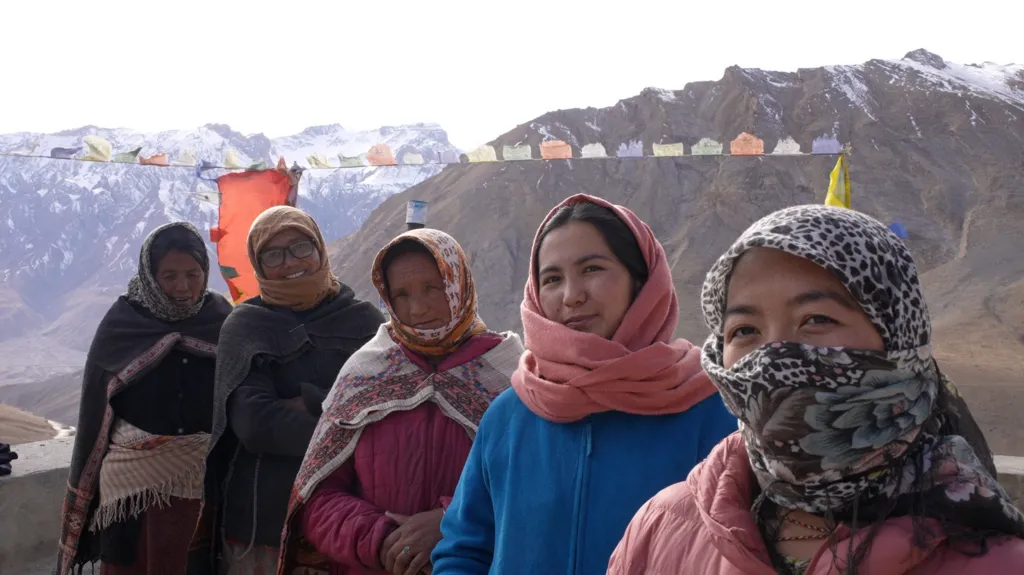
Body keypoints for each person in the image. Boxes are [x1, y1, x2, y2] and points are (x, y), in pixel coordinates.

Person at [607, 205, 1024, 574]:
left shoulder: (996, 559)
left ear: (899, 338)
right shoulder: (664, 527)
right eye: (745, 330)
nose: (772, 357)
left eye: (815, 319)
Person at [430, 194, 737, 574]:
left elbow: (742, 553)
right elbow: (463, 551)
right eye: (553, 279)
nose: (572, 296)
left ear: (641, 281)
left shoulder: (708, 409)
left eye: (592, 269)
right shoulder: (510, 415)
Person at [276, 228, 526, 575]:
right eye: (401, 295)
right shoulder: (364, 373)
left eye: (432, 288)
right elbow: (317, 499)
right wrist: (384, 539)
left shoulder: (511, 375)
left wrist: (448, 522)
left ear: (458, 284)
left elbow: (535, 488)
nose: (418, 308)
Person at [197, 206, 385, 575]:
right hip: (264, 521)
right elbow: (256, 425)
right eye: (273, 254)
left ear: (319, 249)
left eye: (301, 246)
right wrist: (348, 414)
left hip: (356, 514)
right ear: (258, 264)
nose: (290, 262)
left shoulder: (364, 322)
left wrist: (309, 401)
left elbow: (385, 407)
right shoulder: (245, 326)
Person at [55, 222, 233, 575]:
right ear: (150, 275)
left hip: (200, 482)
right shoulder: (123, 322)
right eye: (169, 276)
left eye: (192, 274)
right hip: (130, 487)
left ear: (205, 272)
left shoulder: (221, 317)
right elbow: (95, 412)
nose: (182, 286)